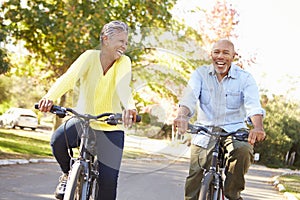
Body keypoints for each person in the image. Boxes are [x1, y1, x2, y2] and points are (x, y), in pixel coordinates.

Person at [37, 20, 137, 200]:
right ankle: (68, 175)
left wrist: (130, 107)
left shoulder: (124, 62)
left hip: (110, 127)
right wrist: (50, 97)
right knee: (57, 142)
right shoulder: (89, 57)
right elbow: (69, 78)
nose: (125, 46)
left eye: (126, 42)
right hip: (83, 121)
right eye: (121, 41)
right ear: (106, 39)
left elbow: (124, 86)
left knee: (108, 182)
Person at [173, 39, 266, 200]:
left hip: (235, 129)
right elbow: (189, 98)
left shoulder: (245, 78)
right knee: (196, 172)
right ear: (211, 55)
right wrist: (181, 116)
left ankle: (232, 194)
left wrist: (258, 126)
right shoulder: (200, 74)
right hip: (206, 129)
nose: (220, 57)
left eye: (225, 53)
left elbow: (253, 106)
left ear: (233, 56)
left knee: (243, 150)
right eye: (216, 52)